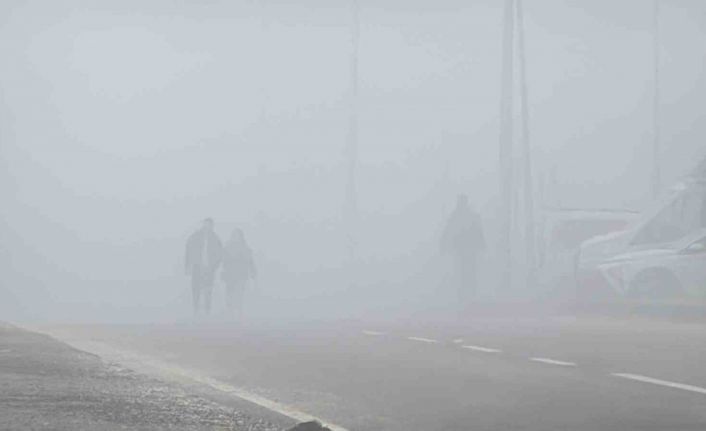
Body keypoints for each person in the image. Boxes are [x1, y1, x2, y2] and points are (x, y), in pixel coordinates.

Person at [440, 194, 486, 304]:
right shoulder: (468, 215)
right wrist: (482, 244)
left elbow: (448, 231)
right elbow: (478, 231)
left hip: (463, 250)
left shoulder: (457, 215)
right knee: (467, 271)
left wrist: (443, 244)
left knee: (464, 271)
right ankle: (467, 294)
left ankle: (466, 294)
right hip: (465, 250)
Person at [185, 218, 223, 315]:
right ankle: (196, 309)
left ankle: (207, 310)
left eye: (209, 225)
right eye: (206, 225)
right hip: (197, 267)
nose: (207, 227)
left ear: (212, 226)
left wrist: (214, 266)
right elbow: (189, 250)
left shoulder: (215, 239)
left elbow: (220, 254)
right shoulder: (195, 237)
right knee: (196, 289)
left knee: (208, 290)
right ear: (203, 225)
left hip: (209, 268)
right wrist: (188, 265)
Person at [221, 228, 257, 317]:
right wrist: (223, 272)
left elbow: (250, 261)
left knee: (239, 293)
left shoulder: (245, 248)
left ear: (241, 237)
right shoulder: (227, 247)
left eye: (238, 235)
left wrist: (253, 271)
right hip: (230, 275)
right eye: (234, 235)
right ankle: (230, 311)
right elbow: (224, 261)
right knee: (229, 293)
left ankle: (239, 311)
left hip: (241, 275)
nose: (236, 237)